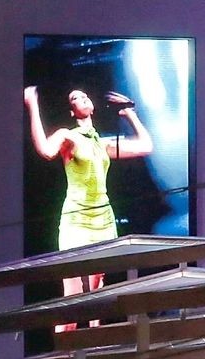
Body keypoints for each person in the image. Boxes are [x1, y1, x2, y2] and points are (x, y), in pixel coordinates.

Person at [24, 85, 154, 299]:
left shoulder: (101, 144)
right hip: (77, 219)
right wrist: (33, 106)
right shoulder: (68, 136)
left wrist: (129, 114)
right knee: (73, 294)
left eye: (85, 95)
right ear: (71, 111)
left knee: (96, 291)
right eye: (76, 97)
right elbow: (46, 151)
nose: (83, 97)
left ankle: (97, 321)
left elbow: (145, 146)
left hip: (102, 219)